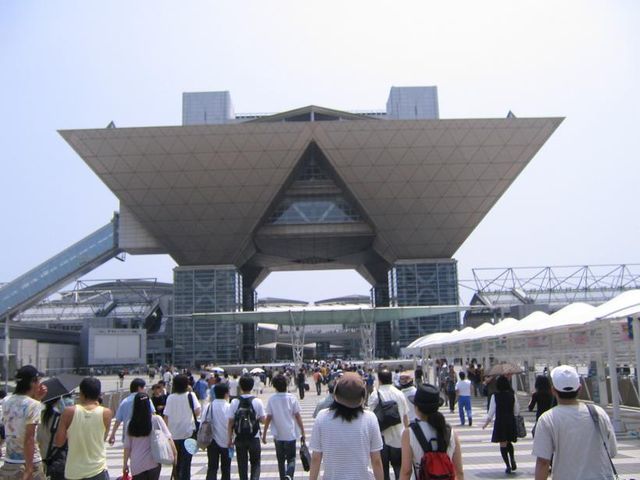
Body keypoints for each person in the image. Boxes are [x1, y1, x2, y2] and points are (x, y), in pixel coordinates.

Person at [532, 365, 617, 480]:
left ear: (553, 390)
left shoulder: (547, 419)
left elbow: (543, 462)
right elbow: (612, 451)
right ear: (580, 388)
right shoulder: (598, 413)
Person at [309, 373, 384, 480]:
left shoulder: (322, 417)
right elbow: (376, 460)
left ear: (336, 393)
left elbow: (316, 458)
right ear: (363, 395)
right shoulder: (370, 418)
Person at [399, 383, 464, 480]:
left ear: (416, 407)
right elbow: (459, 472)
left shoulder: (409, 433)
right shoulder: (450, 432)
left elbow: (406, 471)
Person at [54, 377, 113, 480]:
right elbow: (102, 438)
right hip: (98, 469)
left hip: (74, 471)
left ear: (81, 393)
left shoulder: (68, 412)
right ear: (98, 394)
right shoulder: (106, 413)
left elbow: (59, 442)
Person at [0, 365, 48, 480]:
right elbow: (29, 438)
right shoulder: (34, 405)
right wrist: (29, 468)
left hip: (10, 461)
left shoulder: (6, 401)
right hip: (29, 461)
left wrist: (37, 398)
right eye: (38, 381)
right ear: (33, 382)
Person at [123, 392, 176, 480]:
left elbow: (127, 447)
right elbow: (168, 438)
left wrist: (125, 464)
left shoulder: (130, 423)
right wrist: (175, 454)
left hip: (136, 464)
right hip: (153, 462)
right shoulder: (156, 419)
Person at [367, 369, 409, 480]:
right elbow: (405, 417)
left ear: (379, 380)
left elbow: (371, 418)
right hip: (399, 438)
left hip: (381, 439)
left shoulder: (375, 395)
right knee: (399, 469)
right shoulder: (399, 394)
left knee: (384, 471)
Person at [262, 374, 306, 480]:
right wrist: (303, 431)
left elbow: (268, 418)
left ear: (274, 386)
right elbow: (297, 416)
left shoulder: (272, 399)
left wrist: (264, 434)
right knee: (291, 459)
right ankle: (289, 475)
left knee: (280, 460)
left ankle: (283, 477)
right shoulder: (292, 398)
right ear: (286, 384)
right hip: (290, 434)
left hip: (278, 435)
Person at [227, 376, 265, 480]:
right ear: (252, 386)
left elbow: (230, 422)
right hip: (254, 437)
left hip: (239, 437)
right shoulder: (257, 401)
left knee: (242, 464)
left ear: (240, 386)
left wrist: (229, 439)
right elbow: (263, 420)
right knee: (256, 463)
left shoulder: (234, 402)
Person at [163, 374, 201, 480]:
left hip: (173, 435)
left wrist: (165, 434)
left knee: (176, 462)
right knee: (187, 463)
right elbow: (198, 411)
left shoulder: (170, 397)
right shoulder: (191, 395)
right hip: (189, 434)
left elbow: (166, 416)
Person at [482, 375, 519, 474]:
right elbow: (516, 411)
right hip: (510, 421)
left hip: (500, 422)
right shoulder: (512, 395)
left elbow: (491, 412)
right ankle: (512, 459)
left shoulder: (495, 396)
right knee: (509, 441)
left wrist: (486, 424)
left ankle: (508, 465)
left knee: (503, 443)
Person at [109, 378, 155, 445]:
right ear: (139, 388)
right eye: (144, 387)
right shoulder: (145, 399)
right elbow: (153, 415)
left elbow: (118, 420)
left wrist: (112, 434)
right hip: (145, 435)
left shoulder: (124, 402)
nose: (145, 389)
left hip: (128, 436)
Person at [201, 383, 231, 480]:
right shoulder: (229, 407)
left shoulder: (209, 406)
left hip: (212, 441)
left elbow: (202, 423)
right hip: (227, 441)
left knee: (212, 467)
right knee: (226, 468)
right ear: (226, 394)